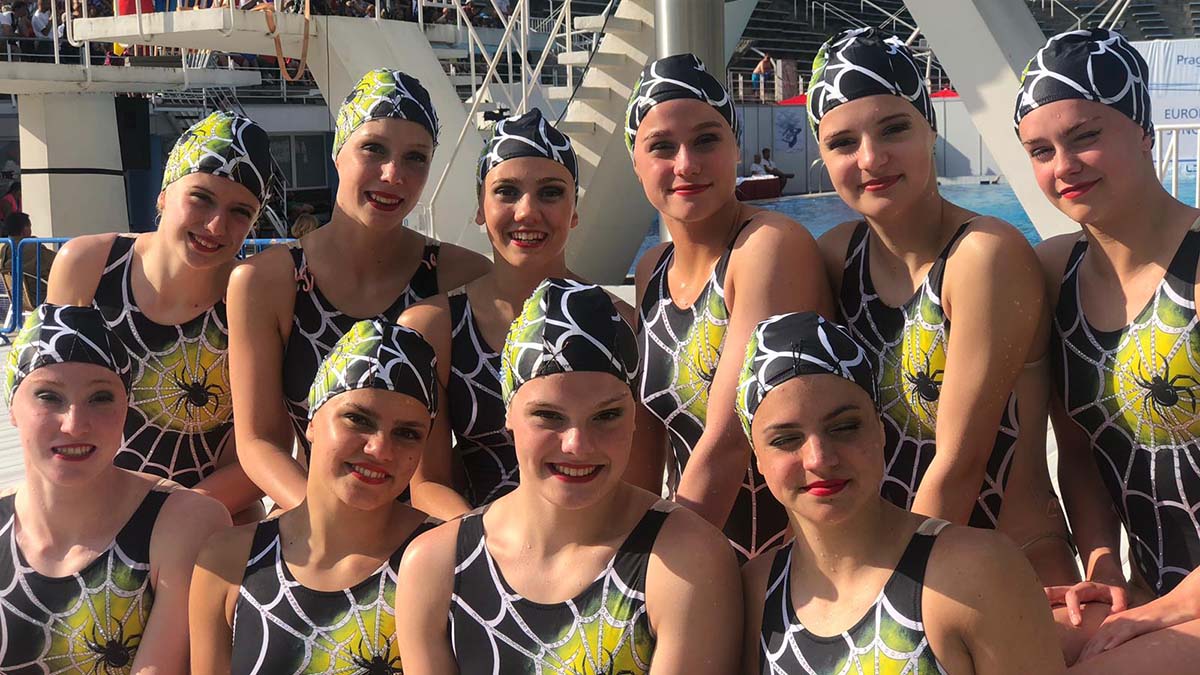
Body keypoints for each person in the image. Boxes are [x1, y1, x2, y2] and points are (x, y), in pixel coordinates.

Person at [810, 28, 1076, 585]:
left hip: (1008, 566)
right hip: (899, 554)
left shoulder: (983, 255)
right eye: (842, 143)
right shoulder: (836, 257)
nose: (871, 158)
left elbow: (958, 466)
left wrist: (875, 604)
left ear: (931, 130)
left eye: (894, 128)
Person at [397, 279, 742, 673]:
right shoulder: (435, 566)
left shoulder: (687, 560)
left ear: (634, 418)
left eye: (606, 415)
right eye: (548, 416)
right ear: (508, 414)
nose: (577, 444)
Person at [737, 311, 1067, 674]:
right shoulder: (753, 596)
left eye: (844, 427)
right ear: (758, 458)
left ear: (880, 431)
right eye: (786, 440)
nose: (819, 458)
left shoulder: (976, 572)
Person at [1017, 28, 1200, 669]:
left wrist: (1156, 616)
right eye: (1041, 150)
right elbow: (1078, 451)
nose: (1063, 166)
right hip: (1158, 592)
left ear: (1143, 130)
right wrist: (1101, 563)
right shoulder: (1053, 271)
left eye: (1086, 135)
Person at [228, 68, 490, 512]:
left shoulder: (460, 275)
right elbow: (258, 442)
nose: (393, 175)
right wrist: (327, 523)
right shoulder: (268, 282)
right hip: (309, 516)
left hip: (428, 527)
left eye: (415, 158)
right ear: (338, 151)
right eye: (373, 149)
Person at [400, 109, 664, 519]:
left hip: (597, 552)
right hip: (475, 548)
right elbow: (427, 484)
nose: (526, 212)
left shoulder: (624, 326)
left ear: (574, 210)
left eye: (550, 192)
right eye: (506, 191)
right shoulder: (435, 329)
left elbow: (640, 486)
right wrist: (490, 558)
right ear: (479, 209)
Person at [626, 53, 834, 561]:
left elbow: (728, 440)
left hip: (787, 568)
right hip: (700, 549)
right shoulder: (654, 269)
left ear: (736, 148)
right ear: (635, 163)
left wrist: (646, 578)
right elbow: (643, 457)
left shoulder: (767, 246)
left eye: (706, 140)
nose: (686, 164)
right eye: (661, 147)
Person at [47, 111, 272, 522]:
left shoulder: (249, 295)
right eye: (201, 198)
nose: (217, 225)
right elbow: (47, 405)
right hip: (91, 509)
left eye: (241, 212)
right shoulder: (88, 266)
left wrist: (160, 519)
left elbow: (262, 452)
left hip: (212, 514)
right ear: (164, 194)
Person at [189, 319, 440, 673]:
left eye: (407, 434)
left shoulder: (447, 561)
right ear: (311, 421)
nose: (380, 449)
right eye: (358, 419)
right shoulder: (228, 560)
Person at [0, 304, 230, 673]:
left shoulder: (181, 523)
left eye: (100, 398)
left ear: (126, 408)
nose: (75, 425)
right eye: (48, 396)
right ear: (12, 406)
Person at [0, 211, 56, 309]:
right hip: (40, 297)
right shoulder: (34, 248)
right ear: (25, 230)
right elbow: (57, 262)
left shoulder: (5, 249)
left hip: (16, 299)